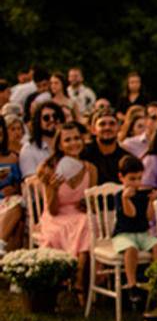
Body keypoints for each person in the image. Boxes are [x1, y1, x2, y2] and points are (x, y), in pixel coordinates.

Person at [36, 122, 97, 295]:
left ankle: (78, 278)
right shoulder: (50, 169)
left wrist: (87, 203)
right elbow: (53, 210)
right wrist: (53, 189)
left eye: (77, 138)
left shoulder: (90, 169)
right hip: (56, 217)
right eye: (68, 140)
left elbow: (89, 201)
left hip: (80, 215)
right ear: (60, 145)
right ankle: (77, 280)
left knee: (86, 221)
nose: (73, 143)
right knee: (84, 225)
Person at [112, 155, 157, 289]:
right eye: (132, 179)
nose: (136, 183)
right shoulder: (119, 196)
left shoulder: (143, 195)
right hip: (123, 234)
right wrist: (126, 199)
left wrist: (151, 202)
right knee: (131, 249)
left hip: (142, 233)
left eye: (139, 178)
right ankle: (132, 283)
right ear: (121, 177)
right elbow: (130, 214)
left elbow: (149, 217)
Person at [81, 109, 133, 184]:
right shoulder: (83, 154)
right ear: (93, 129)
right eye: (102, 124)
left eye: (112, 124)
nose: (107, 127)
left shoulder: (126, 159)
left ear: (119, 128)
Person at [20, 101, 64, 176]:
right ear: (38, 122)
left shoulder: (68, 144)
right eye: (46, 118)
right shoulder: (29, 149)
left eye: (55, 116)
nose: (52, 120)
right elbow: (30, 180)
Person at [0, 116, 23, 255]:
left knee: (17, 208)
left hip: (8, 201)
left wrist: (14, 189)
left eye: (1, 134)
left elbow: (20, 185)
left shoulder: (12, 158)